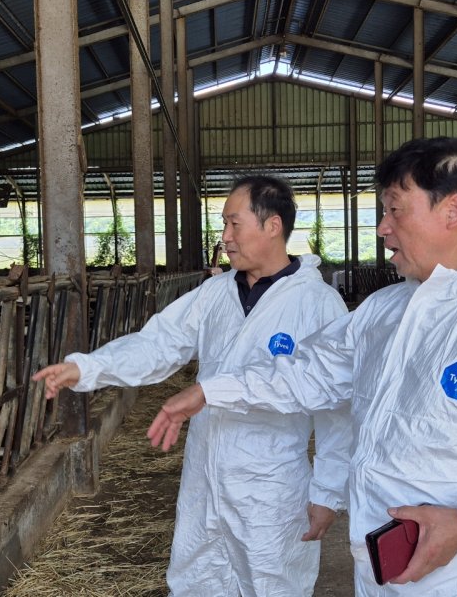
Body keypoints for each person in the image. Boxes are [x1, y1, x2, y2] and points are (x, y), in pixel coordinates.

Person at [148, 137, 457, 596]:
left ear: (452, 212)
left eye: (395, 210)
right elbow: (310, 373)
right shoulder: (387, 310)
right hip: (379, 567)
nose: (382, 228)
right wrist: (212, 392)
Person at [33, 175, 351, 596]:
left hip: (270, 487)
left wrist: (328, 492)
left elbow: (337, 407)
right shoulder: (216, 293)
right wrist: (88, 368)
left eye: (235, 225)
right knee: (196, 581)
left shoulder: (316, 303)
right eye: (224, 225)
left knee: (272, 585)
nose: (225, 237)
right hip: (204, 475)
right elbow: (159, 344)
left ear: (272, 226)